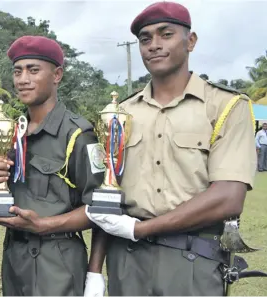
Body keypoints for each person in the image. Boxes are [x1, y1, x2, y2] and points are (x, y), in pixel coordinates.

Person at [85, 2, 258, 295]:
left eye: (166, 35)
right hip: (127, 261)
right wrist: (94, 272)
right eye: (145, 39)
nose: (154, 45)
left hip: (192, 262)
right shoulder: (120, 113)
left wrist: (140, 230)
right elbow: (107, 195)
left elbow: (228, 198)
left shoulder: (226, 106)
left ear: (190, 41)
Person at [0, 35, 106, 296]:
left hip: (57, 261)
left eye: (33, 70)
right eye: (17, 71)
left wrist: (94, 273)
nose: (23, 79)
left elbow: (101, 208)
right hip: (14, 257)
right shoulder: (12, 132)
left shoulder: (78, 134)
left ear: (57, 74)